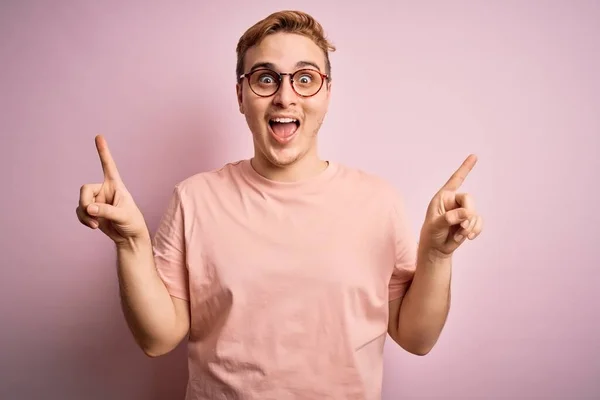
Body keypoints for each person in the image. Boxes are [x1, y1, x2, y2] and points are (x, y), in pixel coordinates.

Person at [76, 9, 483, 400]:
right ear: (240, 95)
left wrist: (436, 254)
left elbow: (416, 338)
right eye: (266, 78)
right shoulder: (194, 199)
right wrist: (130, 242)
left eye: (305, 78)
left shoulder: (379, 201)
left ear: (326, 92)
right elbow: (157, 338)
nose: (285, 97)